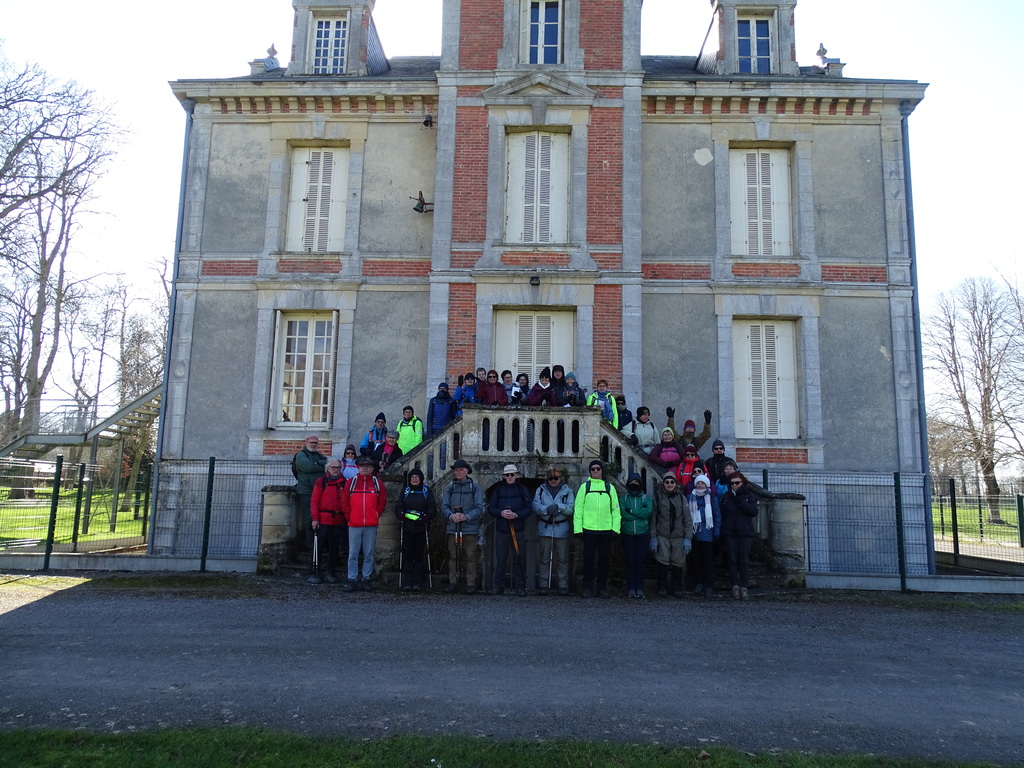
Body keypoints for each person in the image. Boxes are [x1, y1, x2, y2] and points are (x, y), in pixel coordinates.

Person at [573, 460, 621, 598]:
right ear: (590, 471)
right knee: (588, 559)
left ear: (602, 470)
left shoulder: (609, 487)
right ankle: (587, 588)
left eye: (598, 468)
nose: (595, 471)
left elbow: (616, 509)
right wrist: (578, 529)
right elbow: (578, 509)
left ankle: (602, 588)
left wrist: (616, 529)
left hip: (606, 529)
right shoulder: (585, 487)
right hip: (589, 529)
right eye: (593, 469)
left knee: (604, 560)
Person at [342, 457, 387, 591]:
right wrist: (349, 516)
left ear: (372, 469)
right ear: (358, 467)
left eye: (368, 466)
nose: (365, 468)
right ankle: (352, 578)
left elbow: (382, 501)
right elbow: (344, 501)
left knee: (369, 554)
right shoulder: (351, 482)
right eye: (363, 466)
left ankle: (366, 578)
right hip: (354, 523)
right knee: (353, 554)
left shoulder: (377, 483)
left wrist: (376, 514)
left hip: (371, 524)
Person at [488, 463, 533, 596]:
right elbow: (491, 508)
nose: (509, 477)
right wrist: (501, 513)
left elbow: (529, 508)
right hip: (502, 529)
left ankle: (520, 587)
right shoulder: (499, 490)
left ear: (516, 475)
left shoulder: (522, 489)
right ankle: (498, 586)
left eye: (512, 474)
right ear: (504, 476)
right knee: (500, 559)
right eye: (507, 475)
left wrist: (516, 515)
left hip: (517, 529)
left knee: (518, 558)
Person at [441, 459, 484, 593]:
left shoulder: (474, 487)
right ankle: (453, 582)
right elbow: (444, 506)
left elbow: (479, 507)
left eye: (461, 470)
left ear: (466, 471)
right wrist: (451, 515)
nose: (458, 472)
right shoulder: (450, 487)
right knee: (453, 556)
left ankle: (470, 584)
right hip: (453, 527)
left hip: (469, 528)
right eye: (456, 470)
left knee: (470, 556)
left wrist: (466, 516)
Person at [532, 467, 575, 595]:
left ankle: (563, 585)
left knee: (563, 559)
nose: (553, 480)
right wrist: (547, 510)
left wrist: (559, 507)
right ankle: (543, 585)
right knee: (544, 559)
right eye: (551, 478)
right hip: (545, 528)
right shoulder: (540, 490)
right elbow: (535, 506)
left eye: (556, 478)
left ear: (560, 478)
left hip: (561, 529)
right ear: (547, 479)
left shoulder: (568, 491)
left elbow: (571, 508)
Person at [650, 472, 692, 598]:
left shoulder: (682, 498)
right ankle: (662, 586)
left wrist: (688, 538)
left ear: (675, 483)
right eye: (667, 482)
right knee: (662, 560)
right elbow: (653, 519)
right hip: (662, 534)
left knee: (678, 562)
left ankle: (677, 586)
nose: (669, 484)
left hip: (678, 535)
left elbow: (688, 520)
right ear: (663, 484)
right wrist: (653, 537)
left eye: (672, 482)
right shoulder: (657, 498)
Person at [395, 468, 437, 591]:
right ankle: (408, 580)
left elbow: (432, 507)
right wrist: (400, 514)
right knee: (408, 554)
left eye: (416, 477)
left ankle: (418, 580)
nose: (414, 479)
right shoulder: (405, 491)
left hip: (421, 526)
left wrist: (427, 516)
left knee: (419, 554)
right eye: (412, 477)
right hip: (407, 526)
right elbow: (399, 506)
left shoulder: (426, 491)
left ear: (420, 479)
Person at [308, 458, 349, 584]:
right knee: (318, 547)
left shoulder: (344, 482)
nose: (336, 470)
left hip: (338, 520)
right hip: (323, 519)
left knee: (334, 549)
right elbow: (314, 500)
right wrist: (315, 518)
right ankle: (314, 572)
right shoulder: (322, 481)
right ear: (328, 468)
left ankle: (330, 572)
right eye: (333, 467)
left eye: (338, 468)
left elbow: (346, 501)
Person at [720, 471, 758, 600]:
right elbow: (722, 512)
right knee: (732, 560)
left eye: (737, 483)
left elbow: (753, 511)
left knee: (743, 560)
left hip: (745, 532)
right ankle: (735, 586)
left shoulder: (749, 496)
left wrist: (740, 501)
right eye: (732, 483)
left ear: (742, 483)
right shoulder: (726, 497)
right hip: (730, 532)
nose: (734, 485)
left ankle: (744, 586)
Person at [620, 472, 652, 598]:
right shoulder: (624, 498)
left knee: (640, 562)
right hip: (627, 533)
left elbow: (648, 512)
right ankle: (631, 587)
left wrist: (632, 511)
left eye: (636, 482)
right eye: (632, 482)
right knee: (629, 561)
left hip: (642, 533)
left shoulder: (645, 498)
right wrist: (638, 514)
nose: (634, 484)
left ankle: (640, 587)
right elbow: (623, 514)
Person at [688, 474, 720, 599]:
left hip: (708, 534)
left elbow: (717, 516)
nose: (700, 485)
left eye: (702, 483)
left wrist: (716, 532)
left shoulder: (712, 498)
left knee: (708, 562)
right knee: (696, 561)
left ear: (706, 485)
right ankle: (698, 583)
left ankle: (708, 586)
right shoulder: (690, 497)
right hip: (694, 534)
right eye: (698, 483)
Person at [293, 435, 328, 550]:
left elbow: (327, 462)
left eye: (315, 443)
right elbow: (309, 467)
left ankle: (319, 544)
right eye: (311, 442)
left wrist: (317, 464)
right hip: (306, 491)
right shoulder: (301, 455)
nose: (313, 444)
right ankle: (311, 546)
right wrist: (320, 466)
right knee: (309, 518)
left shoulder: (318, 455)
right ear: (306, 443)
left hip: (318, 490)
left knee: (319, 517)